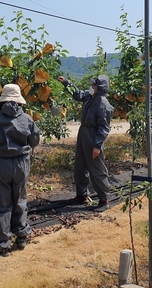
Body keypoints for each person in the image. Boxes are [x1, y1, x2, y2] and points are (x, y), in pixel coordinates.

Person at [0, 83, 41, 255]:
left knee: (1, 202)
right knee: (20, 199)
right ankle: (21, 236)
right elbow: (35, 141)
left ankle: (2, 244)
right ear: (19, 101)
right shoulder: (27, 119)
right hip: (21, 163)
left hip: (1, 162)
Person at [57, 74, 114, 212]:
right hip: (83, 134)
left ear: (99, 88)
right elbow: (78, 94)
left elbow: (104, 128)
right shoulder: (89, 97)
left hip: (93, 136)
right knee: (80, 166)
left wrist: (97, 145)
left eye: (94, 85)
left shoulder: (103, 105)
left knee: (96, 169)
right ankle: (81, 195)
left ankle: (104, 199)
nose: (92, 86)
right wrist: (66, 82)